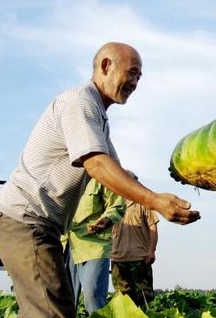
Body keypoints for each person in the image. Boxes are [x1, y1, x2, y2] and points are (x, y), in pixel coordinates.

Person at [0, 42, 200, 318]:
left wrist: (185, 177)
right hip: (27, 220)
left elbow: (118, 173)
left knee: (50, 309)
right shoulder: (80, 102)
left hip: (34, 224)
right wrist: (154, 200)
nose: (135, 82)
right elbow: (97, 165)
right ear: (106, 66)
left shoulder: (98, 116)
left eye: (139, 77)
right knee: (51, 312)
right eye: (132, 73)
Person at [64, 178, 125, 314]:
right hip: (64, 245)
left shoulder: (102, 177)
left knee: (93, 296)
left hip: (93, 245)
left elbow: (117, 205)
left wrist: (106, 220)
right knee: (64, 302)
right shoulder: (62, 176)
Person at [110, 171, 159, 310]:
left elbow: (153, 227)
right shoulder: (113, 204)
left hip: (140, 258)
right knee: (123, 302)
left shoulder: (143, 203)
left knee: (144, 299)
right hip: (118, 259)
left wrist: (152, 250)